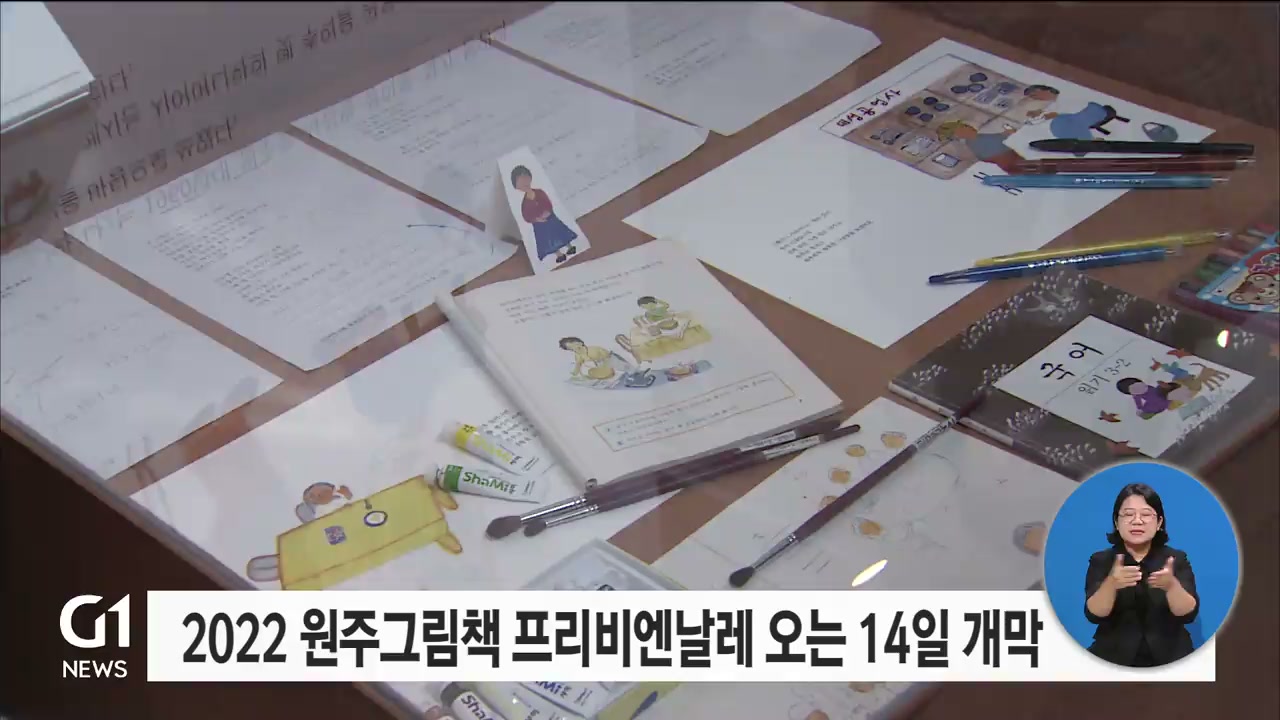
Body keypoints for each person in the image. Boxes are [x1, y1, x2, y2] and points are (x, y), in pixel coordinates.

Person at [1083, 483, 1199, 667]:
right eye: (1128, 514)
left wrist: (1171, 586)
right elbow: (1094, 614)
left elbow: (1188, 614)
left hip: (1172, 658)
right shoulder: (1102, 560)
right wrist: (1111, 584)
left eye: (1146, 514)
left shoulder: (1176, 559)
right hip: (1112, 659)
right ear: (1116, 522)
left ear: (1159, 522)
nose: (1137, 521)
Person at [511, 165, 578, 264]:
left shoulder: (539, 192)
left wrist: (547, 211)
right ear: (517, 186)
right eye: (520, 182)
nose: (524, 183)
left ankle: (569, 246)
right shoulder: (524, 203)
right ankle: (559, 254)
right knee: (549, 239)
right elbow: (526, 216)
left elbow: (548, 203)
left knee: (560, 232)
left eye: (525, 178)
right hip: (540, 225)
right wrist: (536, 219)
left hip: (550, 218)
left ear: (530, 177)